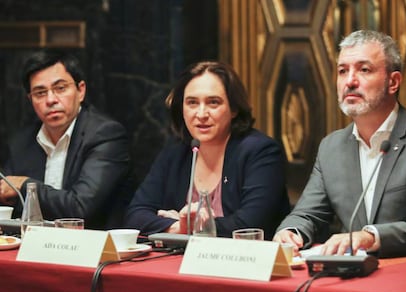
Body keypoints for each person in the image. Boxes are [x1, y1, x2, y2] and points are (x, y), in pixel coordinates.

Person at [273, 29, 406, 258]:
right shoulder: (332, 147)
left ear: (393, 82)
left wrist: (371, 237)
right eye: (342, 71)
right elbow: (308, 214)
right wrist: (292, 231)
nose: (349, 81)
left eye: (364, 70)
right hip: (352, 278)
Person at [124, 61, 291, 240]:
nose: (201, 114)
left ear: (233, 108)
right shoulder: (175, 155)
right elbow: (135, 215)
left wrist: (193, 227)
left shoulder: (260, 151)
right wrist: (177, 227)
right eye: (192, 103)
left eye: (213, 102)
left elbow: (249, 225)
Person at [0, 49, 134, 229]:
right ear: (30, 99)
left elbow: (80, 209)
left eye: (60, 88)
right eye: (40, 93)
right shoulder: (21, 143)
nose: (51, 100)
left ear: (80, 90)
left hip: (95, 249)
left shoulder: (105, 135)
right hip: (33, 246)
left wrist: (26, 185)